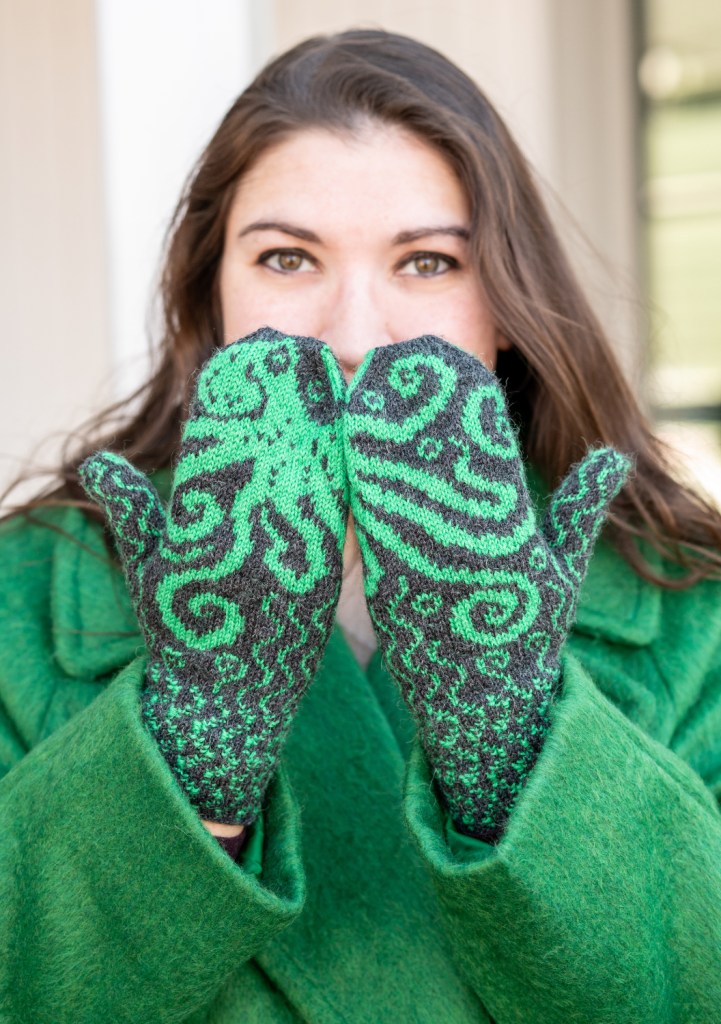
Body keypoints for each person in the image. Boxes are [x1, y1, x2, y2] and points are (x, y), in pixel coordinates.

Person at [1, 27, 721, 1024]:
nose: (350, 331)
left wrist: (516, 756)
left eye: (425, 262)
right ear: (214, 288)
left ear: (506, 300)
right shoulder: (24, 601)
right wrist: (187, 773)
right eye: (288, 258)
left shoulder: (688, 612)